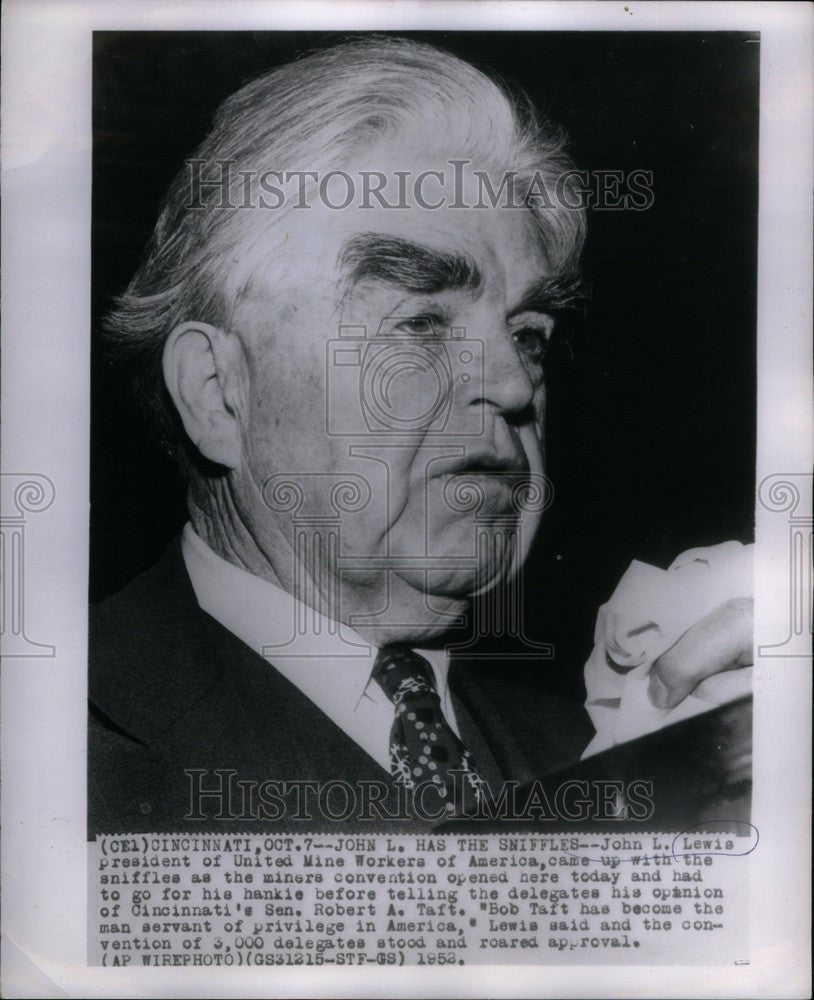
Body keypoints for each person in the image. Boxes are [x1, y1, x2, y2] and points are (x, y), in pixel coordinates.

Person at [88, 35, 752, 835]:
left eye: (530, 334)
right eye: (421, 322)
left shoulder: (604, 748)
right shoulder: (56, 751)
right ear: (219, 395)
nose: (513, 385)